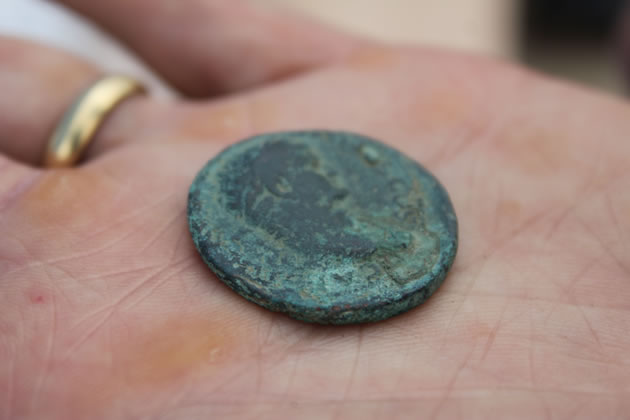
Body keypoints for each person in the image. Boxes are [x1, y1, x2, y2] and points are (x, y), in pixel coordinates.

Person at [1, 1, 629, 419]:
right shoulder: (317, 253)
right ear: (278, 202)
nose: (333, 181)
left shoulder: (382, 248)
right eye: (311, 176)